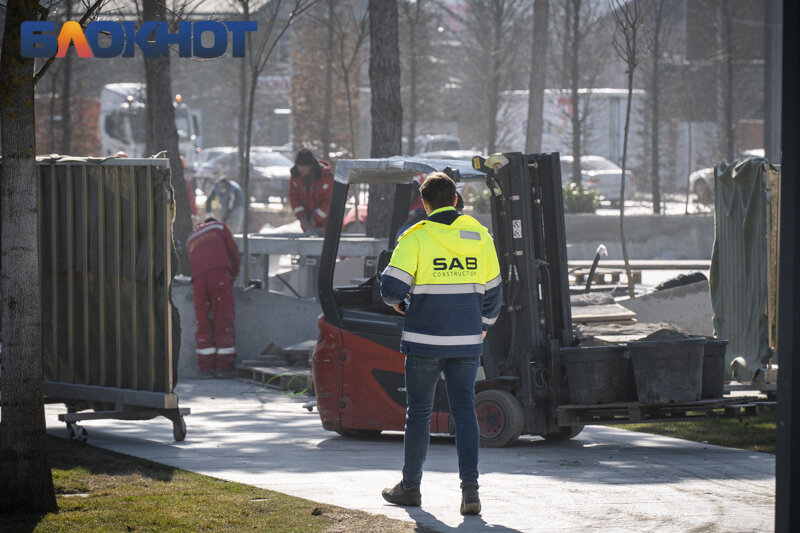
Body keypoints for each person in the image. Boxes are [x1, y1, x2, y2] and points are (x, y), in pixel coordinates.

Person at [379, 172, 503, 515]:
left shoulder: (415, 237)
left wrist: (400, 302)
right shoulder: (480, 236)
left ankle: (410, 488)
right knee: (465, 412)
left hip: (424, 342)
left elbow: (390, 289)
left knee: (418, 415)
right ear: (455, 199)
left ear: (424, 202)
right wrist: (482, 329)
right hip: (466, 343)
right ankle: (470, 491)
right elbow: (494, 294)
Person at [187, 217, 241, 378]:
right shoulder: (219, 226)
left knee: (202, 323)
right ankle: (225, 368)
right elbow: (234, 252)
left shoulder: (191, 237)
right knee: (223, 320)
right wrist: (232, 277)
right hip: (219, 276)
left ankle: (206, 368)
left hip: (198, 281)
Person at [289, 148, 334, 234]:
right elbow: (294, 198)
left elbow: (329, 201)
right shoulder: (295, 178)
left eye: (303, 166)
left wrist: (316, 218)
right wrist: (301, 216)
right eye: (299, 166)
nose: (300, 169)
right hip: (307, 224)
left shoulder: (327, 178)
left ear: (311, 166)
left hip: (328, 224)